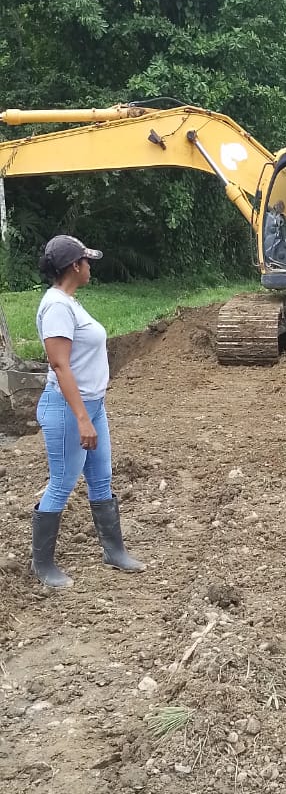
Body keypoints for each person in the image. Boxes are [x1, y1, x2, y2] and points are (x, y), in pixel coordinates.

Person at [32, 234, 145, 588]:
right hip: (69, 409)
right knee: (62, 483)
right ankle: (43, 565)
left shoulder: (70, 302)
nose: (90, 267)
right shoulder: (56, 306)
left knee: (101, 478)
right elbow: (60, 365)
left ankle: (114, 551)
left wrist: (90, 412)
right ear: (74, 266)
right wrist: (82, 418)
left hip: (92, 406)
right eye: (86, 261)